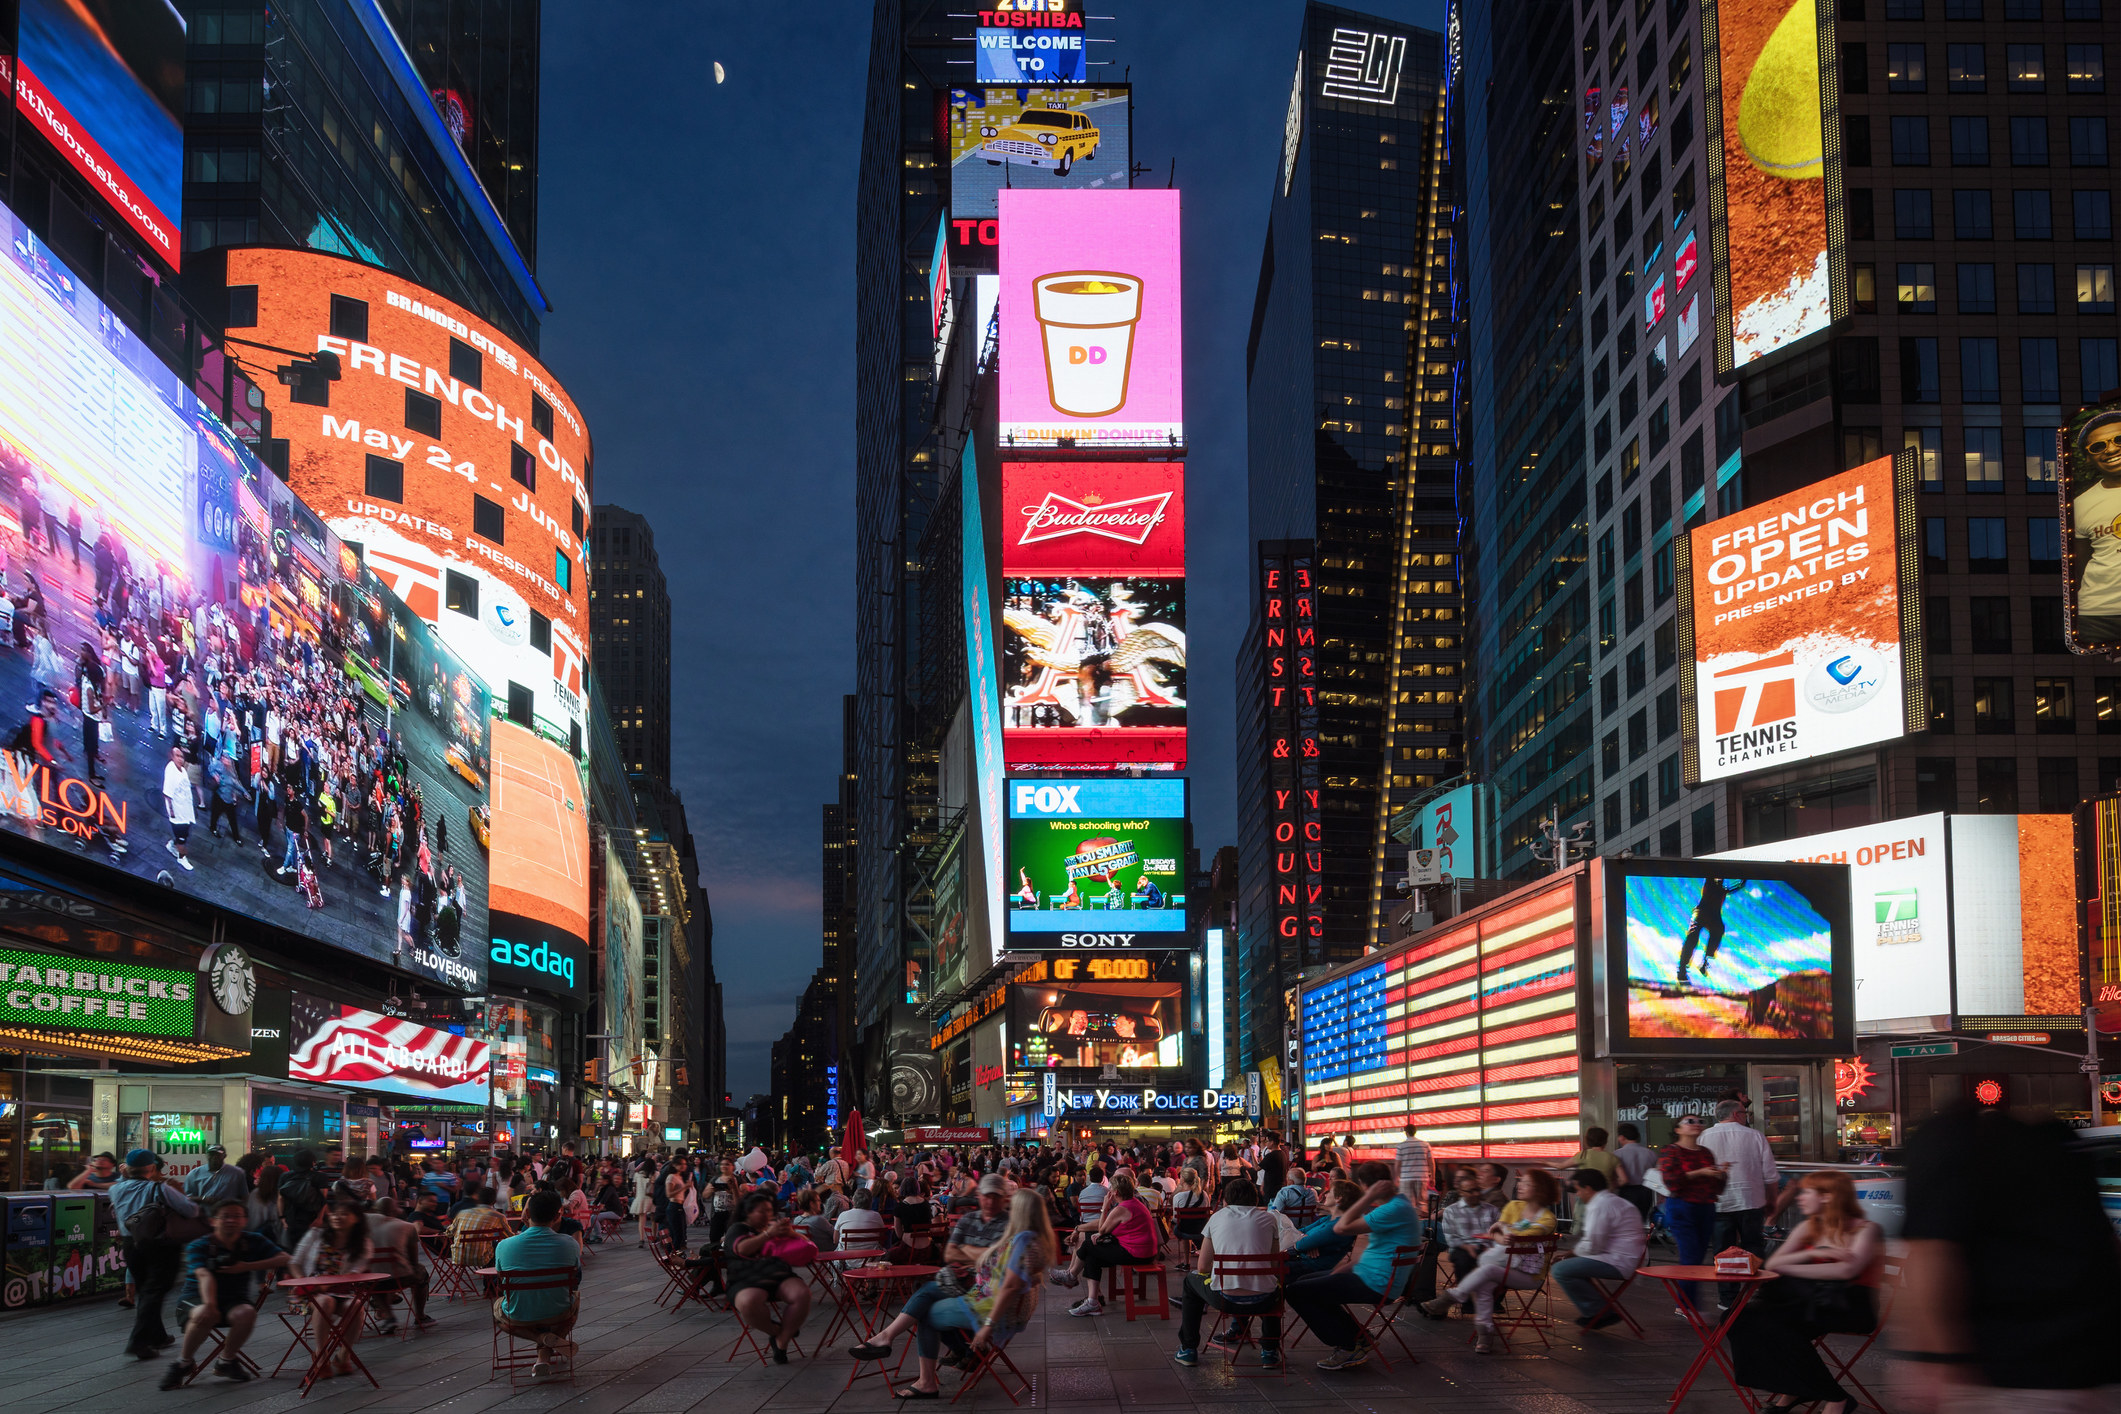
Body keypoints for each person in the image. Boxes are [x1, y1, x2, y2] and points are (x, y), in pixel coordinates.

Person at [1893, 1101, 2121, 1412]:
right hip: (2093, 1365)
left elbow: (1931, 1257)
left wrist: (1940, 1358)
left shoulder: (1948, 1140)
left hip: (2002, 1372)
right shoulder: (2059, 1141)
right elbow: (2106, 1246)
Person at [849, 1188, 1054, 1396]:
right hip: (984, 1295)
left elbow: (1010, 1287)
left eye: (1011, 1205)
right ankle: (902, 1343)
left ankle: (925, 1379)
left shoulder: (1024, 1241)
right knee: (929, 1290)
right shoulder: (1027, 1237)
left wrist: (987, 1327)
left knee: (925, 1314)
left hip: (991, 1307)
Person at [1726, 1171, 1884, 1413]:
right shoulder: (1809, 1227)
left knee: (1777, 1327)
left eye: (1807, 1192)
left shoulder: (1866, 1229)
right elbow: (1775, 1264)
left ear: (1828, 1197)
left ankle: (1834, 1397)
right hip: (1808, 1302)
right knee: (1737, 1317)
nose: (1799, 1197)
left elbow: (1846, 1270)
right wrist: (1812, 1253)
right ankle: (1801, 1389)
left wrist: (1797, 1266)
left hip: (1847, 1305)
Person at [1286, 1161, 1422, 1371]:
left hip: (1375, 1283)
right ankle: (1360, 1337)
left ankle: (1348, 1346)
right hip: (1371, 1276)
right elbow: (1377, 1250)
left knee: (1296, 1291)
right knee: (1306, 1282)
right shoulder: (1400, 1206)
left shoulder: (1391, 1210)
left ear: (1366, 1185)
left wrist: (1367, 1198)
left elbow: (1342, 1226)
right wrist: (1346, 1268)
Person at [1422, 1168, 1560, 1353]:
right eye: (1521, 1181)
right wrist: (1504, 1232)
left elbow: (1520, 1234)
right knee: (1484, 1283)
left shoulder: (1547, 1218)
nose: (1520, 1185)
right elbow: (1498, 1234)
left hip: (1530, 1275)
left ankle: (1455, 1297)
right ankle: (1484, 1333)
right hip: (1503, 1263)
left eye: (1527, 1183)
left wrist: (1503, 1230)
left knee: (1486, 1272)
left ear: (1540, 1190)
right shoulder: (1513, 1207)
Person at [158, 1199, 290, 1389]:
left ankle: (226, 1361)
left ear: (245, 1220)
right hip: (196, 1298)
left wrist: (246, 1266)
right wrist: (210, 1305)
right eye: (225, 1216)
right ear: (213, 1221)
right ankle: (183, 1363)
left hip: (233, 1298)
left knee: (247, 1313)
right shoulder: (199, 1245)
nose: (231, 1220)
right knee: (205, 1312)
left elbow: (285, 1258)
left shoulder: (253, 1240)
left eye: (237, 1216)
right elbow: (204, 1275)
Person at [1169, 1176, 1285, 1368]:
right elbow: (1273, 1263)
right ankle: (1270, 1350)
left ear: (1226, 1200)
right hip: (1264, 1300)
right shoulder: (1269, 1219)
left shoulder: (1217, 1218)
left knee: (1191, 1281)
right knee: (1274, 1282)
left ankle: (1188, 1349)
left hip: (1224, 1298)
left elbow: (1204, 1267)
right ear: (1255, 1198)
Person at [111, 1149, 202, 1360]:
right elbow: (191, 1211)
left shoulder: (115, 1189)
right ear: (152, 1168)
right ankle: (138, 1341)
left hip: (130, 1244)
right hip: (160, 1244)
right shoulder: (158, 1187)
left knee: (146, 1290)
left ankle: (157, 1335)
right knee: (156, 1290)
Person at [494, 1189, 584, 1381]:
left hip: (518, 1315)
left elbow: (501, 1279)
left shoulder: (504, 1245)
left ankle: (541, 1343)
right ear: (558, 1214)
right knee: (574, 1299)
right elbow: (576, 1276)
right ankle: (544, 1351)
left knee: (499, 1313)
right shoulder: (570, 1244)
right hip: (559, 1312)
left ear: (526, 1215)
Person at [1049, 1168, 1159, 1316]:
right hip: (1144, 1251)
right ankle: (1092, 1301)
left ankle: (1071, 1276)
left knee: (1088, 1245)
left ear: (1116, 1193)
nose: (1109, 1191)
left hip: (1137, 1253)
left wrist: (1104, 1207)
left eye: (1111, 1189)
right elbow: (1107, 1229)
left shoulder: (1123, 1208)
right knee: (1092, 1254)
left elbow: (1102, 1228)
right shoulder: (1132, 1202)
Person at [1703, 1098, 1779, 1306]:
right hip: (1751, 1200)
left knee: (1722, 1249)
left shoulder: (1704, 1137)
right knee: (1753, 1245)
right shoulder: (1755, 1136)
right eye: (1745, 1113)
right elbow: (1770, 1174)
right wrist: (1772, 1199)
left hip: (1719, 1203)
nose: (1747, 1117)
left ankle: (1728, 1298)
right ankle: (1756, 1294)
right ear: (1736, 1114)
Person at [1550, 1169, 1647, 1329]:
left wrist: (1569, 1255)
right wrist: (1571, 1254)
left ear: (1588, 1188)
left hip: (1618, 1260)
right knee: (1570, 1268)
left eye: (1579, 1190)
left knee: (1561, 1270)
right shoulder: (1612, 1201)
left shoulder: (1600, 1205)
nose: (1578, 1195)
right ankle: (1598, 1309)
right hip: (1626, 1257)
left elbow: (1593, 1244)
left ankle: (1597, 1311)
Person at [722, 1190, 811, 1364]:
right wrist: (768, 1234)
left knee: (801, 1294)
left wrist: (792, 1234)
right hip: (744, 1278)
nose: (767, 1215)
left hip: (778, 1274)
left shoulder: (773, 1227)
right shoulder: (738, 1229)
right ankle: (777, 1330)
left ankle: (782, 1343)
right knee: (749, 1301)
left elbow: (805, 1244)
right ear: (748, 1212)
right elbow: (742, 1249)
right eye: (761, 1211)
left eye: (769, 1211)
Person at [289, 1199, 374, 1378]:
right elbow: (295, 1263)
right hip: (309, 1292)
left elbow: (354, 1273)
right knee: (325, 1302)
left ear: (356, 1219)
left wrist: (329, 1283)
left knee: (356, 1305)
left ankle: (344, 1355)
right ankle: (321, 1355)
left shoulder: (363, 1244)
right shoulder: (315, 1235)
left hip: (341, 1290)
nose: (337, 1217)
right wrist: (305, 1282)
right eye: (335, 1213)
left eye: (344, 1213)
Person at [1656, 1113, 1726, 1311]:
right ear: (1678, 1129)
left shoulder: (1706, 1152)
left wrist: (1722, 1175)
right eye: (1690, 1121)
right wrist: (1701, 1172)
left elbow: (1717, 1188)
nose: (1696, 1124)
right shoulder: (1671, 1151)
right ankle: (1687, 1305)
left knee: (1697, 1256)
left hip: (1706, 1206)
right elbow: (1672, 1182)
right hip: (1682, 1206)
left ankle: (1686, 1303)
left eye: (1700, 1122)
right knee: (1690, 1256)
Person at [2069, 408, 2121, 642]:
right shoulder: (2080, 505)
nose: (2111, 449)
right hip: (2098, 615)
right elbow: (2079, 566)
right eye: (2098, 446)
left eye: (2119, 439)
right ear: (2088, 457)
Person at [1428, 1167, 1500, 1310]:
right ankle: (1468, 1303)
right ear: (1461, 1192)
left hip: (1487, 1248)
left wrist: (1489, 1246)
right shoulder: (1451, 1211)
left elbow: (1499, 1234)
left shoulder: (1491, 1210)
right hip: (1462, 1247)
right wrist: (1467, 1246)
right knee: (1463, 1259)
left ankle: (1493, 1300)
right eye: (1470, 1191)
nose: (1475, 1194)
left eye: (1477, 1190)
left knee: (1502, 1261)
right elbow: (1451, 1238)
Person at [445, 1187, 512, 1269]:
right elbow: (509, 1237)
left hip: (459, 1257)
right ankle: (491, 1279)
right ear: (494, 1201)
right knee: (498, 1244)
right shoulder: (498, 1216)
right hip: (482, 1258)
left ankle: (489, 1278)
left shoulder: (462, 1213)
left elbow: (449, 1233)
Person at [1610, 1122, 1658, 1216]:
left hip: (1626, 1191)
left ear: (1621, 1137)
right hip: (1646, 1192)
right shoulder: (1650, 1153)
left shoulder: (1617, 1154)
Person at [162, 745, 196, 871]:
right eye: (177, 756)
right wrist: (172, 812)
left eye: (182, 756)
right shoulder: (171, 772)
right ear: (172, 756)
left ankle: (172, 845)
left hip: (186, 810)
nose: (180, 759)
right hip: (178, 813)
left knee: (185, 834)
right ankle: (181, 857)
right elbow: (167, 794)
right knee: (182, 839)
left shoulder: (182, 770)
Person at [184, 1146, 249, 1208]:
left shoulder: (237, 1173)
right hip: (203, 1216)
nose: (214, 1157)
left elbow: (244, 1197)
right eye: (211, 1154)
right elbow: (186, 1197)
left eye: (218, 1155)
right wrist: (203, 1199)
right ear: (206, 1155)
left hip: (226, 1216)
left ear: (224, 1156)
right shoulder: (194, 1174)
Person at [1393, 1123, 1432, 1212]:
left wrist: (1396, 1178)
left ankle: (1410, 1223)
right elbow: (1431, 1162)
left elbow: (1398, 1164)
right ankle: (1421, 1223)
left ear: (1406, 1132)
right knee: (1421, 1203)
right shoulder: (1425, 1144)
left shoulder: (1401, 1146)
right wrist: (1432, 1176)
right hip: (1422, 1177)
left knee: (1406, 1203)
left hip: (1406, 1178)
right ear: (1415, 1132)